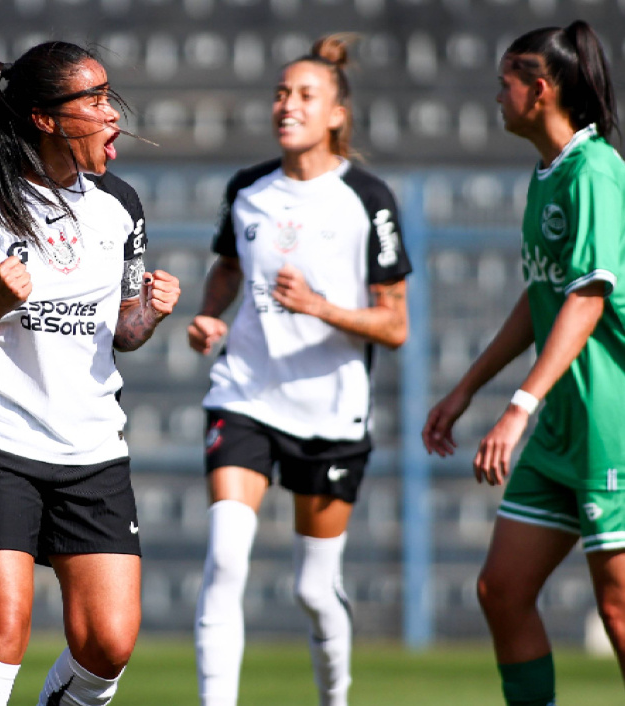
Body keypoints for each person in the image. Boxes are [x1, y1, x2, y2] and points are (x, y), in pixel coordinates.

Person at [422, 20, 625, 706]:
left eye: (504, 83)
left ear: (538, 90)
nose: (496, 96)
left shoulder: (595, 171)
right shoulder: (550, 174)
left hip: (619, 426)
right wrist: (466, 388)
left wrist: (517, 408)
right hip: (567, 424)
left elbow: (587, 299)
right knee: (501, 590)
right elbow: (542, 295)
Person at [0, 41, 180, 706]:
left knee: (107, 645)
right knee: (0, 630)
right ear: (45, 118)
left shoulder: (121, 203)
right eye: (94, 100)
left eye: (109, 96)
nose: (112, 113)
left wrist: (149, 314)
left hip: (91, 449)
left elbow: (123, 333)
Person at [187, 34, 412, 706]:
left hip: (330, 413)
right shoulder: (247, 189)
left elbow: (395, 325)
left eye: (305, 95)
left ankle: (335, 698)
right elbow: (227, 268)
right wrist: (209, 317)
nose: (288, 105)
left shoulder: (368, 198)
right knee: (225, 557)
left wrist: (319, 307)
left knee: (314, 589)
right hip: (245, 397)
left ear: (336, 114)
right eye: (281, 93)